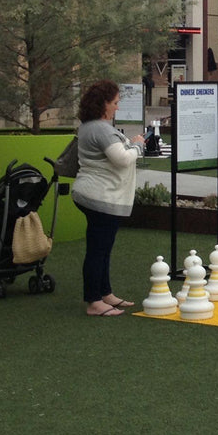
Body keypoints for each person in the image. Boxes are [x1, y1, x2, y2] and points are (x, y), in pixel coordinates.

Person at [72, 80, 145, 317]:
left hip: (97, 196)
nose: (117, 107)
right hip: (100, 198)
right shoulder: (101, 129)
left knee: (103, 248)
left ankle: (105, 293)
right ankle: (94, 302)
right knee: (98, 250)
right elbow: (121, 158)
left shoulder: (89, 126)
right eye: (114, 102)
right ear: (103, 104)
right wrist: (138, 146)